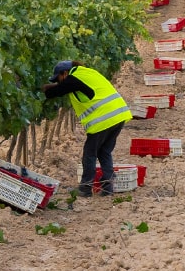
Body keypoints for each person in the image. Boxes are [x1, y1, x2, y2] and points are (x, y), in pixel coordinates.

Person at [41, 59, 132, 197]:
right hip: (119, 115)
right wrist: (51, 86)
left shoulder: (73, 79)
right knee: (104, 151)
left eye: (58, 79)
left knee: (89, 154)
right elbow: (70, 87)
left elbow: (55, 92)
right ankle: (108, 187)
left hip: (103, 119)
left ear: (65, 73)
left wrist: (41, 89)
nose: (58, 82)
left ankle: (85, 188)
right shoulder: (87, 73)